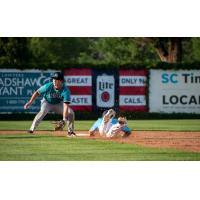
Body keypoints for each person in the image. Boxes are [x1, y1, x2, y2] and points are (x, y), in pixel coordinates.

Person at [24, 71, 76, 137]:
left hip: (58, 104)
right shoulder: (48, 86)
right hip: (47, 102)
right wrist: (30, 102)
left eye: (56, 80)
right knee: (42, 112)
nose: (54, 81)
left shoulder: (65, 91)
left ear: (61, 81)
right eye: (54, 79)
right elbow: (37, 92)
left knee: (71, 113)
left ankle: (70, 132)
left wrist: (64, 119)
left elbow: (66, 106)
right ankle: (31, 129)